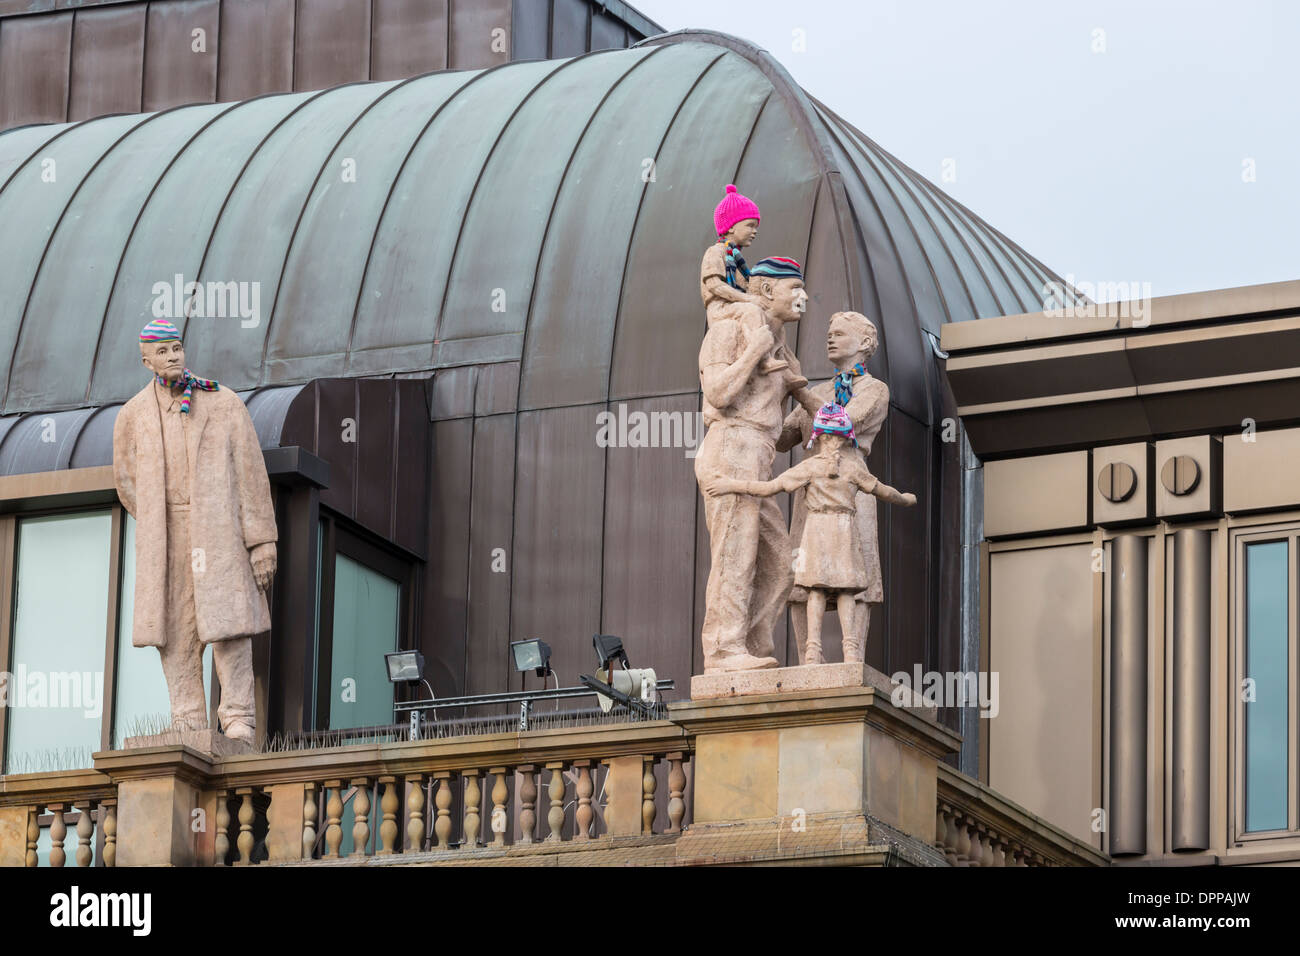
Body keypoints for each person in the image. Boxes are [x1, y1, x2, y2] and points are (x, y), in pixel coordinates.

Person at [113, 318, 277, 744]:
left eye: (177, 348)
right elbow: (126, 482)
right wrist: (157, 519)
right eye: (163, 351)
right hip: (167, 533)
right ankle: (186, 714)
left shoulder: (223, 403)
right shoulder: (132, 416)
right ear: (145, 359)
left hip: (218, 529)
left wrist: (261, 541)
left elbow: (251, 476)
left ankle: (238, 715)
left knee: (228, 625)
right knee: (176, 626)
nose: (173, 357)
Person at [708, 402, 915, 664]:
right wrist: (731, 485)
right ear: (821, 439)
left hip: (840, 530)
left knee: (845, 590)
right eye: (827, 438)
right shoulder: (816, 468)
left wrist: (904, 499)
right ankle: (813, 650)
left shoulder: (849, 468)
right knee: (817, 590)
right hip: (820, 529)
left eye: (834, 438)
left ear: (840, 440)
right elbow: (772, 486)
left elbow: (881, 489)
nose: (830, 443)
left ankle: (846, 650)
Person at [695, 256, 819, 672]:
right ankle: (723, 650)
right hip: (730, 450)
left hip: (761, 456)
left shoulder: (784, 349)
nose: (803, 297)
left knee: (782, 563)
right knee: (736, 553)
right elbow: (717, 393)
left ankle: (753, 646)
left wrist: (844, 410)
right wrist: (754, 352)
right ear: (766, 291)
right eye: (794, 289)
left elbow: (793, 427)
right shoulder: (729, 330)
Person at [777, 311, 890, 663]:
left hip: (853, 484)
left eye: (839, 333)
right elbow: (782, 440)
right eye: (829, 332)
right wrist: (767, 397)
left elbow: (842, 421)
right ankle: (808, 655)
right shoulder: (819, 390)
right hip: (813, 488)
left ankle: (852, 657)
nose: (830, 338)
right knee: (801, 573)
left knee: (858, 573)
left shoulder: (874, 389)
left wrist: (796, 387)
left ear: (864, 343)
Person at [700, 184, 793, 378]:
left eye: (756, 227)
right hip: (721, 310)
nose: (755, 231)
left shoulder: (737, 260)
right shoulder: (715, 253)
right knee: (753, 310)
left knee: (774, 317)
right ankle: (763, 358)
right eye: (750, 225)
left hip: (737, 307)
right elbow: (715, 286)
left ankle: (788, 366)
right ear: (732, 226)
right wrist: (749, 300)